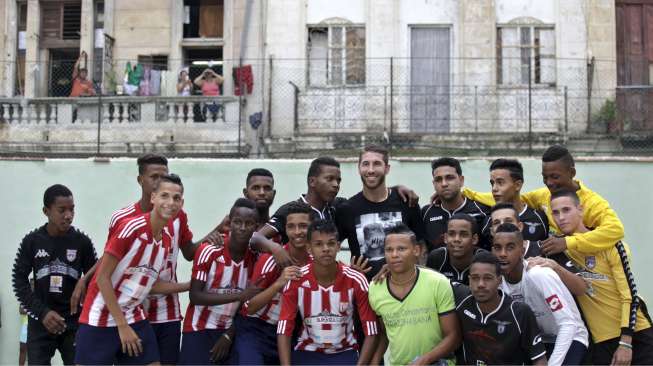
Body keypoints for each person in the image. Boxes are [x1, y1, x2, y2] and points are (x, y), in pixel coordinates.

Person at [79, 153, 217, 365]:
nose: (170, 203)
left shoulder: (166, 239)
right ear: (153, 197)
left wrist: (188, 286)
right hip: (102, 316)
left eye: (176, 198)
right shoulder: (130, 227)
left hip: (134, 316)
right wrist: (122, 325)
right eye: (164, 196)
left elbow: (150, 284)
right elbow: (102, 278)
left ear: (182, 203)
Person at [550, 190, 653, 365]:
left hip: (634, 335)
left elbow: (630, 295)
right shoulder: (557, 248)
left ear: (580, 210)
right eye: (555, 212)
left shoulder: (610, 244)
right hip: (600, 342)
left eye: (566, 210)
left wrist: (625, 342)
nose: (561, 217)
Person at [464, 144, 625, 256]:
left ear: (572, 173)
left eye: (555, 177)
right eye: (545, 177)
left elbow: (615, 231)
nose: (549, 183)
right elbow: (512, 198)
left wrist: (568, 243)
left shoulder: (593, 203)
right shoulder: (544, 195)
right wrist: (463, 194)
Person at [12, 184, 98, 365]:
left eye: (72, 209)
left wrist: (85, 300)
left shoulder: (82, 242)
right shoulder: (32, 242)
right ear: (46, 211)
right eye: (62, 210)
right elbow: (19, 281)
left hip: (74, 324)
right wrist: (42, 313)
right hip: (41, 322)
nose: (68, 215)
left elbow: (96, 279)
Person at [277, 219, 378, 365]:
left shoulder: (356, 279)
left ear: (338, 246)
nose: (326, 249)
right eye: (318, 244)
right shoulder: (296, 280)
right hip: (306, 353)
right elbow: (284, 328)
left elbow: (371, 331)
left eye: (331, 243)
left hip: (345, 354)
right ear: (309, 248)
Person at [179, 198, 262, 365]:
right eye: (237, 222)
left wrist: (228, 335)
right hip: (198, 328)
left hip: (229, 332)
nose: (243, 228)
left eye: (249, 223)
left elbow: (247, 307)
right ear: (229, 223)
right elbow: (195, 296)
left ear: (256, 227)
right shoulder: (209, 250)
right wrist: (240, 295)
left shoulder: (256, 258)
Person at [492, 223, 588, 366]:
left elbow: (568, 324)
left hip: (571, 336)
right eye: (497, 248)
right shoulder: (497, 283)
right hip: (538, 341)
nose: (503, 254)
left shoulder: (538, 274)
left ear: (522, 251)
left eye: (510, 247)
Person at [369, 224, 460, 365]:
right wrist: (375, 361)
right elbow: (385, 332)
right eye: (389, 250)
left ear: (416, 250)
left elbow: (453, 336)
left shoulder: (437, 282)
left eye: (401, 249)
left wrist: (423, 361)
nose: (394, 255)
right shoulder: (375, 288)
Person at [235, 202, 313, 365]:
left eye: (303, 226)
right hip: (255, 329)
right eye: (291, 227)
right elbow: (249, 307)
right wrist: (279, 283)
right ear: (285, 229)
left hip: (289, 333)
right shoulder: (270, 260)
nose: (297, 232)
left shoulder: (315, 264)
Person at [336, 145, 425, 279]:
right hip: (366, 292)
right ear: (359, 168)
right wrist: (348, 271)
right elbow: (328, 246)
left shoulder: (406, 202)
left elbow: (422, 248)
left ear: (387, 168)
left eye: (377, 164)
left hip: (405, 288)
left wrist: (418, 278)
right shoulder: (347, 209)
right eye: (366, 164)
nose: (371, 170)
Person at [457, 251, 547, 365]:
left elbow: (539, 359)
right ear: (469, 280)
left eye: (487, 278)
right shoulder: (462, 306)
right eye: (475, 278)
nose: (480, 284)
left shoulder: (520, 312)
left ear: (499, 281)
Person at [486, 203, 585, 296]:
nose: (502, 225)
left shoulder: (545, 248)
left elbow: (581, 288)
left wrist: (556, 267)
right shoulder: (488, 261)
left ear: (520, 226)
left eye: (508, 221)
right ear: (491, 231)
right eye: (496, 223)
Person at [423, 157, 490, 250]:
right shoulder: (426, 213)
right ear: (434, 184)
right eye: (438, 179)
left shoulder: (482, 210)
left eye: (449, 178)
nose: (444, 184)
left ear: (461, 180)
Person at [480, 158, 548, 243]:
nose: (494, 189)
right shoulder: (488, 221)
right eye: (492, 183)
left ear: (517, 185)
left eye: (500, 183)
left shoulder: (540, 219)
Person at [426, 213, 486, 285]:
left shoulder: (484, 260)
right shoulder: (436, 258)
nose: (457, 239)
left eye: (463, 234)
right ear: (445, 238)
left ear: (474, 239)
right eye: (451, 234)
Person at [217, 168, 277, 235]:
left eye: (267, 188)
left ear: (274, 194)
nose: (262, 193)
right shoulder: (230, 227)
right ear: (246, 193)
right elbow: (205, 243)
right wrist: (217, 230)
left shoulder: (280, 228)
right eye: (256, 188)